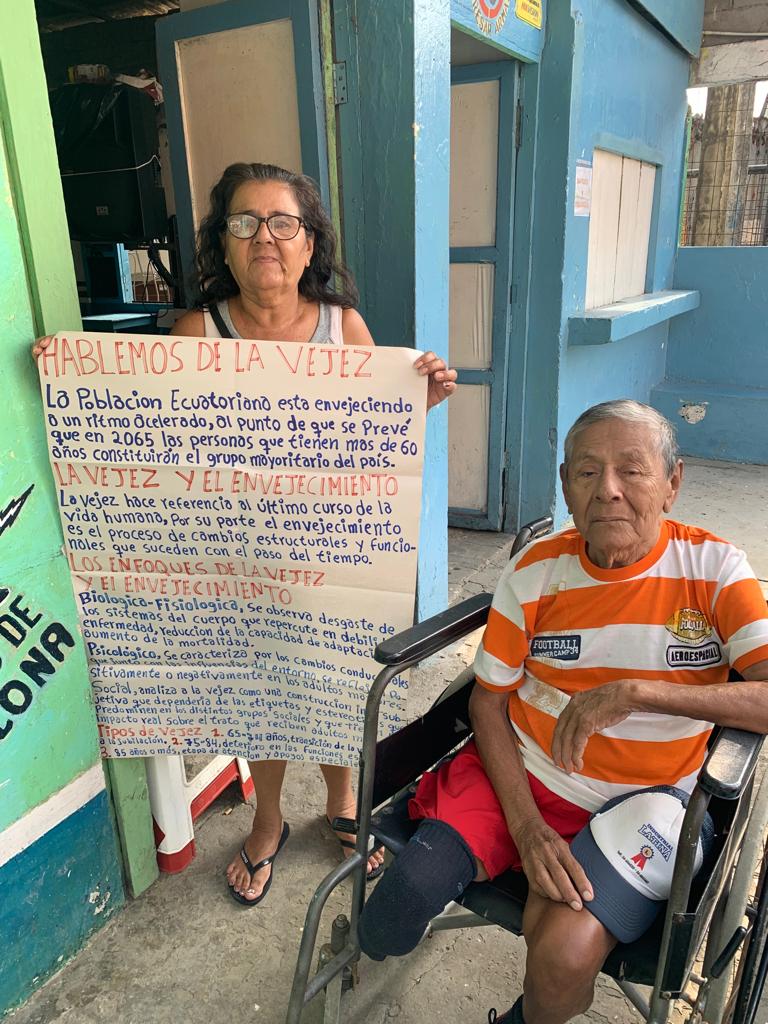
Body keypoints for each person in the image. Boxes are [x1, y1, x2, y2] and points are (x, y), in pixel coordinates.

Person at [33, 161, 457, 906]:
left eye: (283, 223)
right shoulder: (196, 331)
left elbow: (372, 436)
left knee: (331, 677)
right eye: (245, 222)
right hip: (237, 557)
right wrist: (74, 377)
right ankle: (268, 821)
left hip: (330, 549)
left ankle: (344, 804)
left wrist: (419, 400)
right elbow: (153, 440)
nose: (265, 237)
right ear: (222, 245)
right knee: (260, 687)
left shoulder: (344, 327)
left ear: (309, 243)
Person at [357, 399, 768, 1024]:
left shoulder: (715, 570)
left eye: (632, 470)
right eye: (587, 472)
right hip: (521, 771)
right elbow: (487, 701)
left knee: (561, 959)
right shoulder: (538, 569)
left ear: (672, 483)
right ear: (566, 485)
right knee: (393, 912)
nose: (608, 490)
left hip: (647, 796)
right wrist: (526, 826)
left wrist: (638, 692)